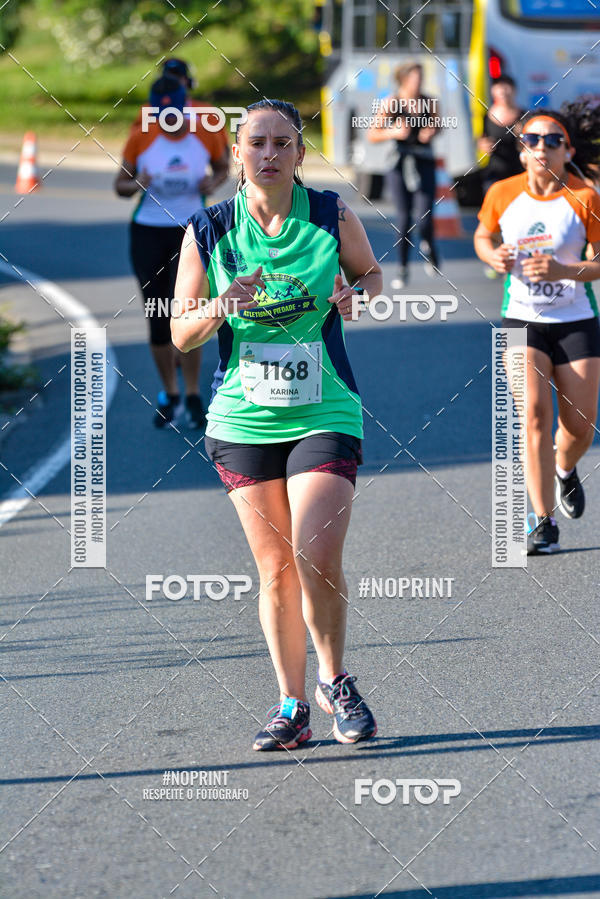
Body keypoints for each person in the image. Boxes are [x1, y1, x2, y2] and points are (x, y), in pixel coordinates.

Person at [172, 99, 383, 750]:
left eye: (281, 143)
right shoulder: (208, 229)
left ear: (299, 153)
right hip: (242, 418)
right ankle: (292, 705)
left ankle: (334, 678)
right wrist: (218, 307)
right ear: (237, 152)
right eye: (256, 142)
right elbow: (181, 333)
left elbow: (372, 275)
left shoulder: (329, 215)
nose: (268, 153)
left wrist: (358, 294)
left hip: (325, 406)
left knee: (314, 553)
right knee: (275, 570)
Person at [474, 104, 600, 554]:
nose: (542, 147)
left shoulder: (585, 196)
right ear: (522, 151)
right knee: (533, 415)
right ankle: (542, 522)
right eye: (532, 140)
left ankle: (565, 468)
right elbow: (483, 236)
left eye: (552, 140)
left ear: (567, 151)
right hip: (521, 319)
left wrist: (566, 269)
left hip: (575, 321)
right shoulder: (502, 193)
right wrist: (491, 257)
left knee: (580, 426)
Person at [114, 74, 229, 428]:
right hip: (148, 231)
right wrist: (138, 184)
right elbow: (119, 185)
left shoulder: (204, 131)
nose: (168, 120)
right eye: (161, 114)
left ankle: (193, 394)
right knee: (157, 314)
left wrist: (214, 180)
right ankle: (170, 393)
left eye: (175, 113)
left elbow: (224, 165)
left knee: (189, 311)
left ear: (186, 107)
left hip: (190, 230)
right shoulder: (141, 137)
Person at [368, 62, 441, 288]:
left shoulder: (430, 102)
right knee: (404, 219)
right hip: (399, 163)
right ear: (403, 80)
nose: (418, 82)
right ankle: (402, 268)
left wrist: (432, 131)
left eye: (420, 78)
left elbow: (438, 124)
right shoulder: (392, 102)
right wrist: (393, 131)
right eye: (414, 78)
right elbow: (373, 133)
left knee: (425, 215)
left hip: (424, 161)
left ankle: (428, 244)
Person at [478, 75, 523, 194]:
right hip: (495, 173)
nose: (503, 91)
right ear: (493, 91)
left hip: (519, 173)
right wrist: (483, 145)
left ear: (514, 90)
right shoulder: (486, 116)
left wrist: (521, 136)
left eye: (506, 87)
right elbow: (481, 138)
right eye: (499, 87)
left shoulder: (524, 116)